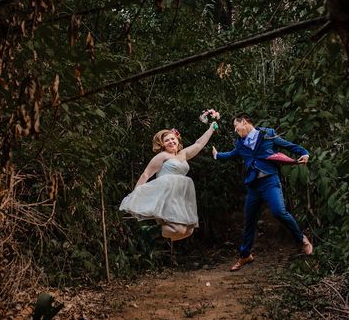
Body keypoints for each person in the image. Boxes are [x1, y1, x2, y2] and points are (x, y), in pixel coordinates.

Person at [211, 112, 313, 271]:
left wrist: (304, 152)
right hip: (253, 186)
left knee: (279, 212)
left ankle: (302, 240)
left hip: (270, 181)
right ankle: (245, 255)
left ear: (244, 122)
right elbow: (231, 155)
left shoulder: (267, 134)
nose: (235, 130)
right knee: (249, 221)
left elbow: (287, 145)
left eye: (236, 126)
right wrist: (217, 155)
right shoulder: (240, 143)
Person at [120, 121, 218, 241]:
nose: (171, 141)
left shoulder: (183, 154)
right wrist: (136, 195)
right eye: (167, 140)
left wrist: (211, 129)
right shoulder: (162, 156)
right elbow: (146, 174)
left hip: (181, 195)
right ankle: (151, 231)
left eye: (173, 139)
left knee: (188, 230)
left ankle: (156, 233)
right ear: (162, 144)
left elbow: (198, 144)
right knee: (177, 230)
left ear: (177, 140)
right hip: (166, 194)